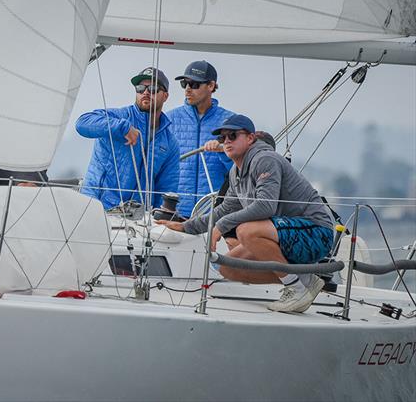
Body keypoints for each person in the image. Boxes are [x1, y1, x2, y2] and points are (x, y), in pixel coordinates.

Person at [158, 115, 335, 313]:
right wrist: (186, 226)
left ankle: (296, 288)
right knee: (228, 267)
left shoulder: (265, 159)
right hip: (285, 233)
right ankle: (303, 280)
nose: (226, 142)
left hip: (317, 232)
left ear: (250, 138)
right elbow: (225, 208)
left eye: (232, 136)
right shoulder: (236, 171)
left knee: (246, 231)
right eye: (222, 138)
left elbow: (265, 206)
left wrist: (221, 227)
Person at [75, 67, 179, 210]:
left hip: (139, 218)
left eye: (153, 88)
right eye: (140, 88)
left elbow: (166, 188)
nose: (146, 92)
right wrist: (122, 127)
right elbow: (82, 123)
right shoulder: (119, 117)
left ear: (165, 96)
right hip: (97, 208)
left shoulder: (169, 142)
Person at [167, 60, 234, 218]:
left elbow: (242, 171)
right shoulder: (169, 120)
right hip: (174, 212)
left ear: (211, 86)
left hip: (214, 214)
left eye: (194, 84)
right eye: (185, 84)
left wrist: (223, 151)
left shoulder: (231, 122)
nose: (188, 90)